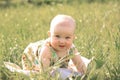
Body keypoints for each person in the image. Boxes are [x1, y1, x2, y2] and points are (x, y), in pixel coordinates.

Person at [21, 14, 87, 79]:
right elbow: (44, 72)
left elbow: (79, 63)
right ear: (50, 35)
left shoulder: (71, 48)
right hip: (32, 55)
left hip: (56, 63)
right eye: (57, 36)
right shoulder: (47, 50)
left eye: (67, 37)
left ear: (73, 38)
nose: (62, 41)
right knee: (34, 72)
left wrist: (85, 74)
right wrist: (45, 75)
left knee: (63, 69)